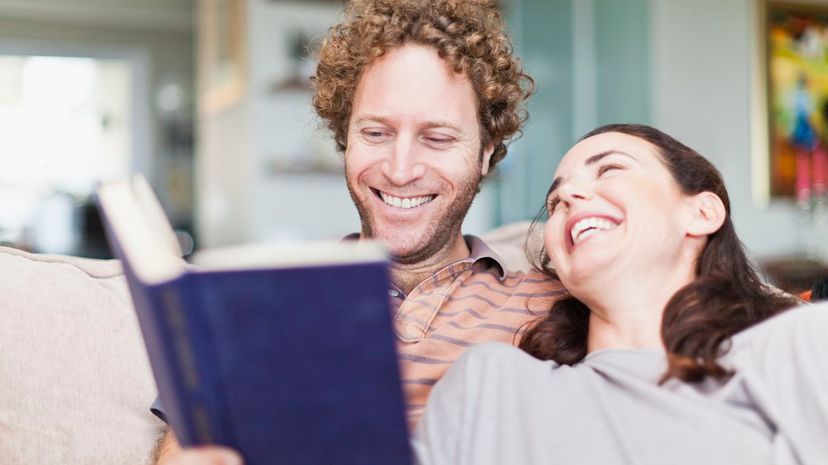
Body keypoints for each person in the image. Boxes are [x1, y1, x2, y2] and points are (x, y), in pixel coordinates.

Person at [153, 0, 562, 463]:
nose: (401, 169)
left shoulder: (549, 306)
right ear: (345, 137)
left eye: (438, 137)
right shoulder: (262, 295)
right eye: (376, 133)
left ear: (487, 151)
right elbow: (185, 445)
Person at [412, 124, 828, 465]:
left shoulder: (796, 349)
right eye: (555, 202)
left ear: (702, 213)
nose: (568, 197)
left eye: (609, 169)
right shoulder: (491, 384)